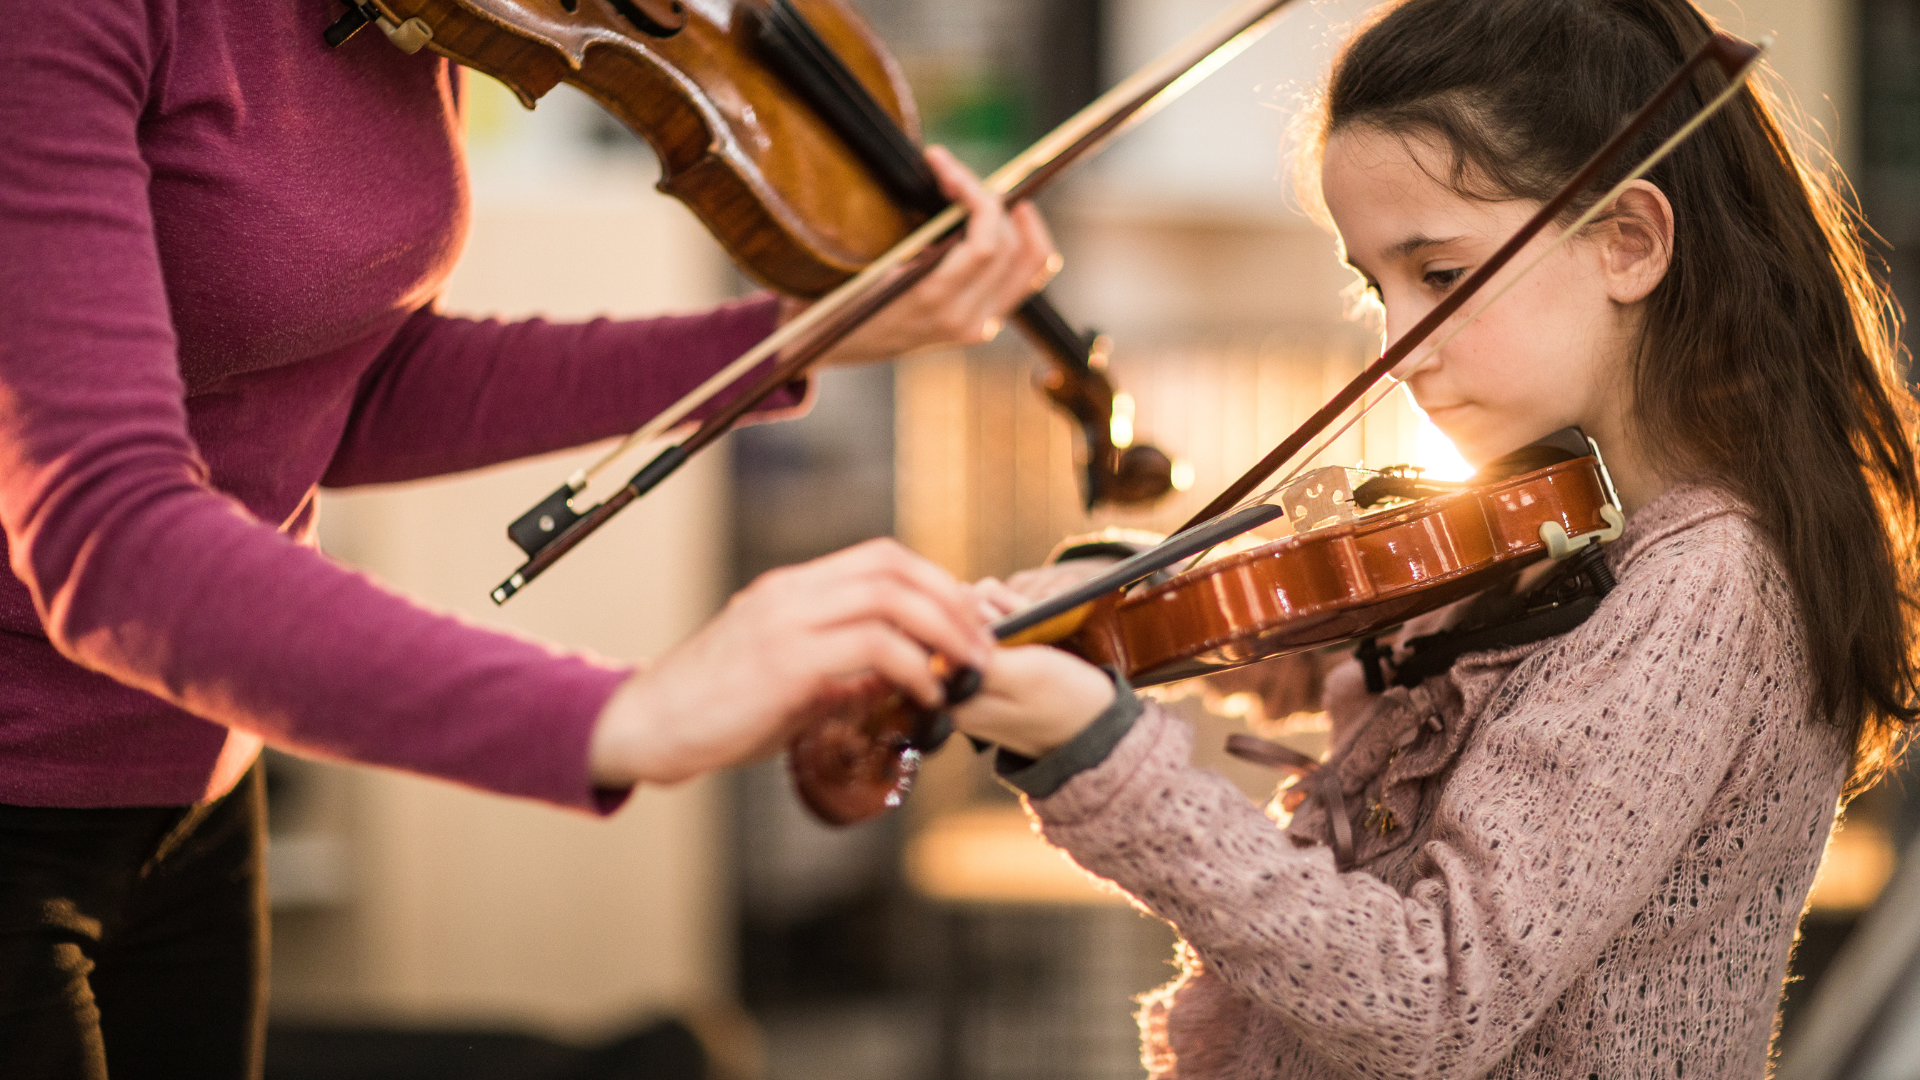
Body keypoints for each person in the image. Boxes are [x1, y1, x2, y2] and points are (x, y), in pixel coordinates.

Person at [0, 1, 1051, 1076]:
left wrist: (774, 342)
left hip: (200, 784)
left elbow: (338, 390)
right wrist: (621, 714)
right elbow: (104, 533)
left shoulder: (426, 16)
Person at [950, 0, 1920, 1076]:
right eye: (1376, 285)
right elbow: (1413, 675)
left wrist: (1104, 761)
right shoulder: (1562, 524)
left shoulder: (1705, 590)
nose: (1398, 348)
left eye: (1441, 276)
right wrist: (1127, 618)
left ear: (1630, 243)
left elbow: (1432, 997)